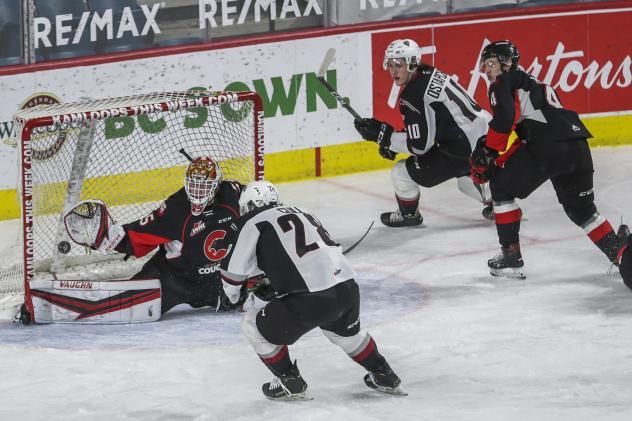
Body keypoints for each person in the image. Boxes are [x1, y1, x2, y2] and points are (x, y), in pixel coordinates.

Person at [219, 180, 406, 400]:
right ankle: (384, 374)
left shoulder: (252, 220)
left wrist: (234, 295)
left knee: (252, 325)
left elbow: (232, 275)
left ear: (250, 205)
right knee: (345, 333)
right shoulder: (304, 211)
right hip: (347, 287)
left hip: (310, 299)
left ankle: (289, 380)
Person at [471, 40, 630, 280]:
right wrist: (497, 154)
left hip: (548, 147)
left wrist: (488, 153)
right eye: (485, 65)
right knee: (582, 211)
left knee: (500, 186)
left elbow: (505, 121)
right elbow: (530, 132)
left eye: (491, 64)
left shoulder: (503, 82)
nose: (487, 71)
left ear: (507, 65)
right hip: (578, 145)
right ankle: (621, 254)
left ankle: (511, 257)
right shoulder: (535, 83)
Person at [354, 38, 494, 227]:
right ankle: (500, 202)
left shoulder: (413, 93)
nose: (393, 70)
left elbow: (420, 146)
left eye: (399, 64)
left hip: (462, 147)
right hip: (481, 134)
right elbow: (428, 127)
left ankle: (409, 215)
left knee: (401, 172)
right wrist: (392, 140)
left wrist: (384, 137)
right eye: (390, 64)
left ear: (412, 63)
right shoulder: (429, 72)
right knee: (465, 176)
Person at [93, 155, 247, 315]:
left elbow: (257, 207)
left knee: (262, 290)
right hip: (175, 281)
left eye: (204, 187)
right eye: (193, 186)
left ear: (217, 185)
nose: (197, 193)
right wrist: (108, 239)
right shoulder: (176, 207)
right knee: (125, 306)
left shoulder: (231, 195)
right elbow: (141, 234)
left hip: (220, 283)